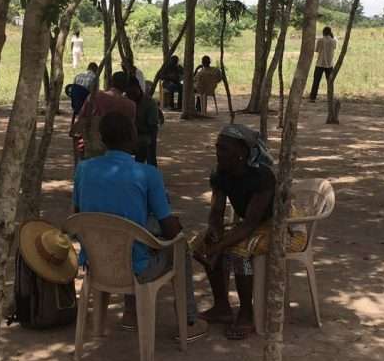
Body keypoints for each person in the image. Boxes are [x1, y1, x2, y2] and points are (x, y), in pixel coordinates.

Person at [72, 112, 208, 340]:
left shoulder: (83, 169)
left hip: (96, 263)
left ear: (103, 139)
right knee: (178, 247)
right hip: (136, 267)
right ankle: (189, 320)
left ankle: (130, 313)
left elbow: (79, 214)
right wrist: (173, 224)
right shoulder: (148, 174)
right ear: (132, 137)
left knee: (133, 233)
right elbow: (170, 231)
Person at [192, 125, 276, 340]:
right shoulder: (220, 174)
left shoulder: (262, 177)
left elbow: (250, 224)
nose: (218, 153)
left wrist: (220, 246)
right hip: (247, 225)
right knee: (201, 246)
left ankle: (246, 312)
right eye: (217, 147)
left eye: (224, 149)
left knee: (240, 256)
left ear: (242, 153)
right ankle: (222, 306)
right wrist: (214, 232)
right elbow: (216, 212)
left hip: (273, 226)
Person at [71, 71, 137, 160]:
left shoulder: (95, 96)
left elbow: (82, 118)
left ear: (111, 82)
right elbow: (130, 129)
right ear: (126, 86)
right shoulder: (130, 105)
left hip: (94, 146)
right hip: (119, 150)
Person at [127, 78, 160, 166]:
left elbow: (152, 127)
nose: (131, 96)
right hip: (127, 134)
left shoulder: (149, 103)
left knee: (146, 146)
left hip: (144, 133)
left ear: (138, 89)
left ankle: (150, 169)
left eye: (133, 93)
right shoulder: (125, 100)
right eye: (129, 94)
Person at [308, 27, 337, 102]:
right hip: (329, 64)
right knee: (330, 82)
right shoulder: (334, 41)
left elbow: (317, 50)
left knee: (316, 81)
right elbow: (334, 48)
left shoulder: (320, 40)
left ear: (323, 32)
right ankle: (330, 98)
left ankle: (312, 98)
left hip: (320, 64)